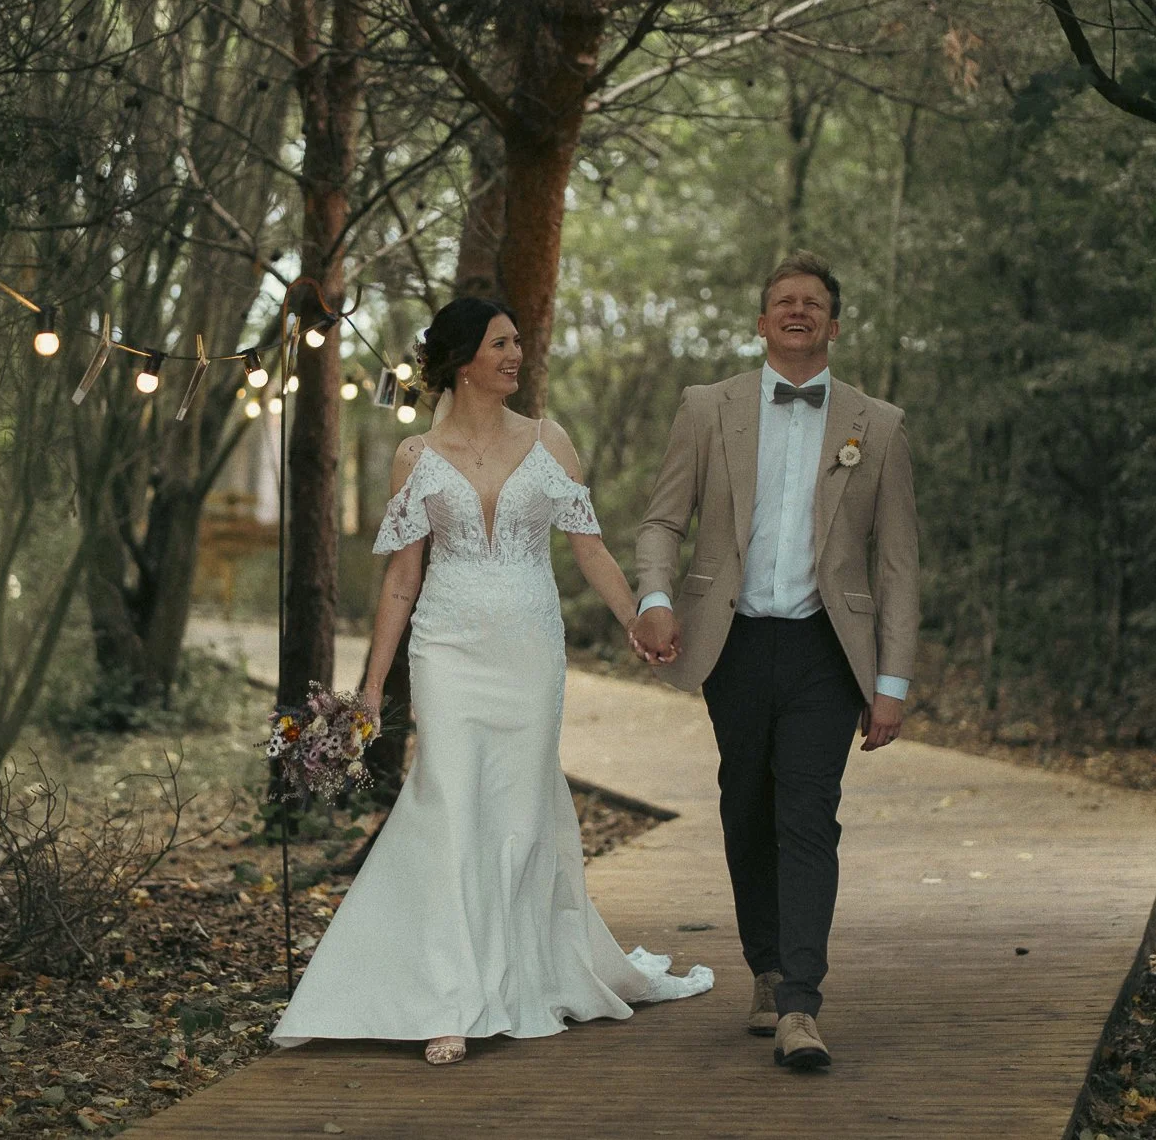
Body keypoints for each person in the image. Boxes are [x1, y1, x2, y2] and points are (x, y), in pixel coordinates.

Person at [271, 296, 711, 1065]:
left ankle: (518, 975)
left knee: (518, 805)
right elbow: (402, 579)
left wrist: (639, 616)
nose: (516, 355)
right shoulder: (415, 455)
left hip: (529, 649)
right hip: (445, 647)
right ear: (465, 356)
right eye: (502, 343)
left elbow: (591, 550)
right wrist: (372, 685)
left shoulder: (550, 440)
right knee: (448, 800)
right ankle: (451, 997)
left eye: (517, 343)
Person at [631, 251, 919, 1071]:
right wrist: (655, 596)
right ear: (762, 323)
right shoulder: (705, 407)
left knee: (807, 814)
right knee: (745, 807)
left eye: (815, 302)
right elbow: (661, 522)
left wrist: (891, 683)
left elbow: (898, 563)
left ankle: (800, 1001)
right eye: (784, 301)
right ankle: (765, 963)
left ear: (833, 323)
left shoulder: (879, 424)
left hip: (829, 651)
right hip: (736, 642)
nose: (799, 311)